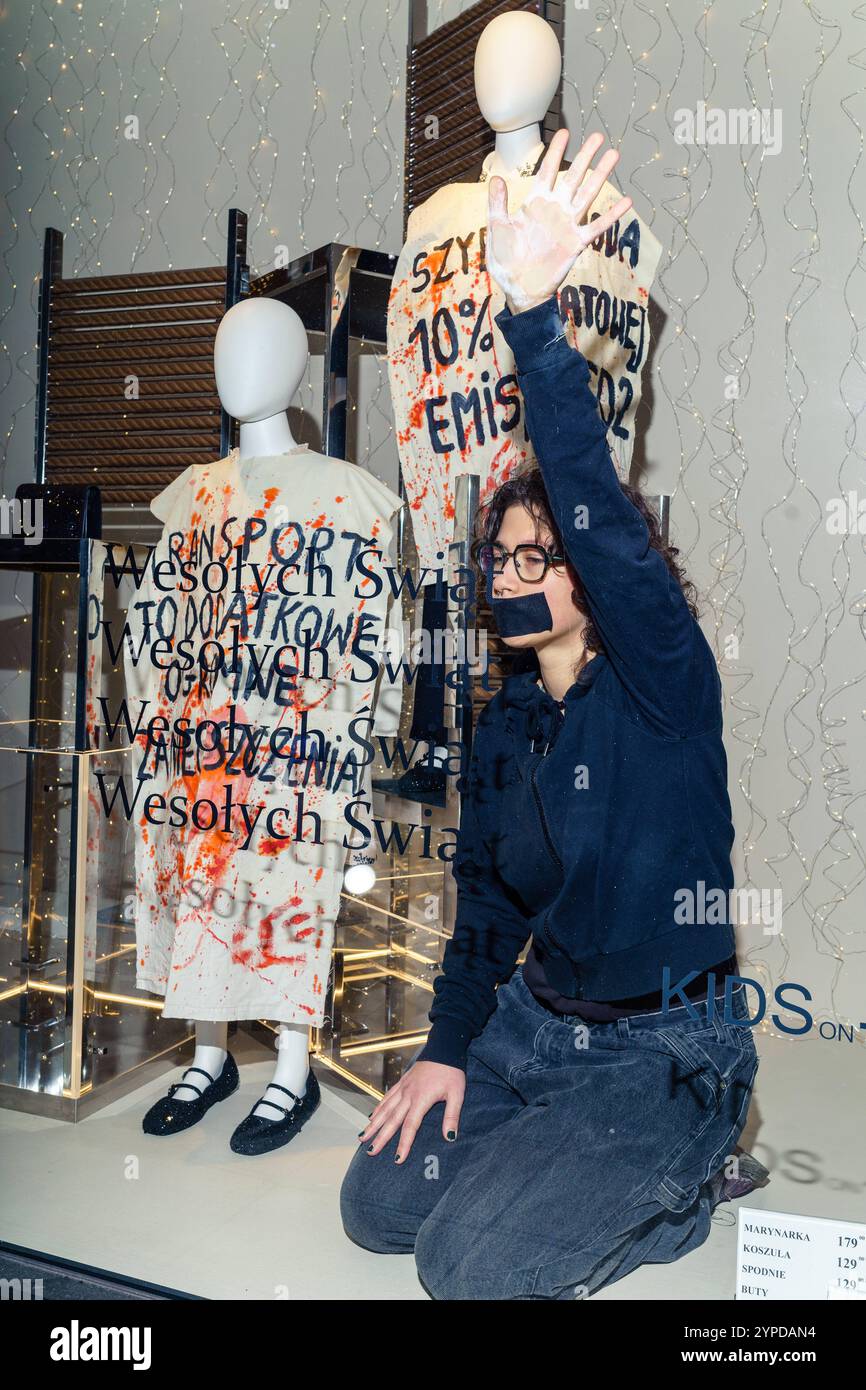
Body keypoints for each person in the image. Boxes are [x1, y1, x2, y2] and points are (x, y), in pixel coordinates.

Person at [340, 130, 767, 1300]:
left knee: (463, 1268)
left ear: (593, 574)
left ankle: (686, 1168)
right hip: (539, 1025)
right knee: (376, 1206)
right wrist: (442, 1055)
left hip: (662, 1049)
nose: (513, 570)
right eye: (499, 554)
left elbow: (591, 503)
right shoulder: (506, 721)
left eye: (542, 553)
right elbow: (484, 903)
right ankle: (558, 1163)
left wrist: (529, 315)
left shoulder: (661, 678)